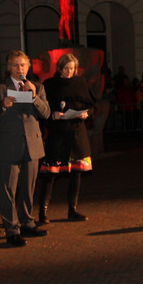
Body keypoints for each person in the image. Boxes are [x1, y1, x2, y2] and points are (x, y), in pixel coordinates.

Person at [0, 50, 51, 247]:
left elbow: (46, 113)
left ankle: (27, 222)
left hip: (32, 146)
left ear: (28, 67)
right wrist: (2, 106)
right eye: (15, 65)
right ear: (8, 67)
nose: (19, 69)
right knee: (8, 190)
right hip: (8, 146)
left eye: (22, 65)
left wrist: (35, 96)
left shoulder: (37, 87)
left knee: (28, 188)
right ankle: (12, 230)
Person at [37, 52, 95, 223]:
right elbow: (43, 110)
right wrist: (52, 116)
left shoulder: (79, 83)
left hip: (77, 133)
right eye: (66, 68)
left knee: (76, 173)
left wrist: (86, 114)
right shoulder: (50, 85)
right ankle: (43, 213)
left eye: (72, 69)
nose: (69, 72)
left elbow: (91, 104)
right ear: (60, 68)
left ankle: (73, 209)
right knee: (50, 174)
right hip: (58, 133)